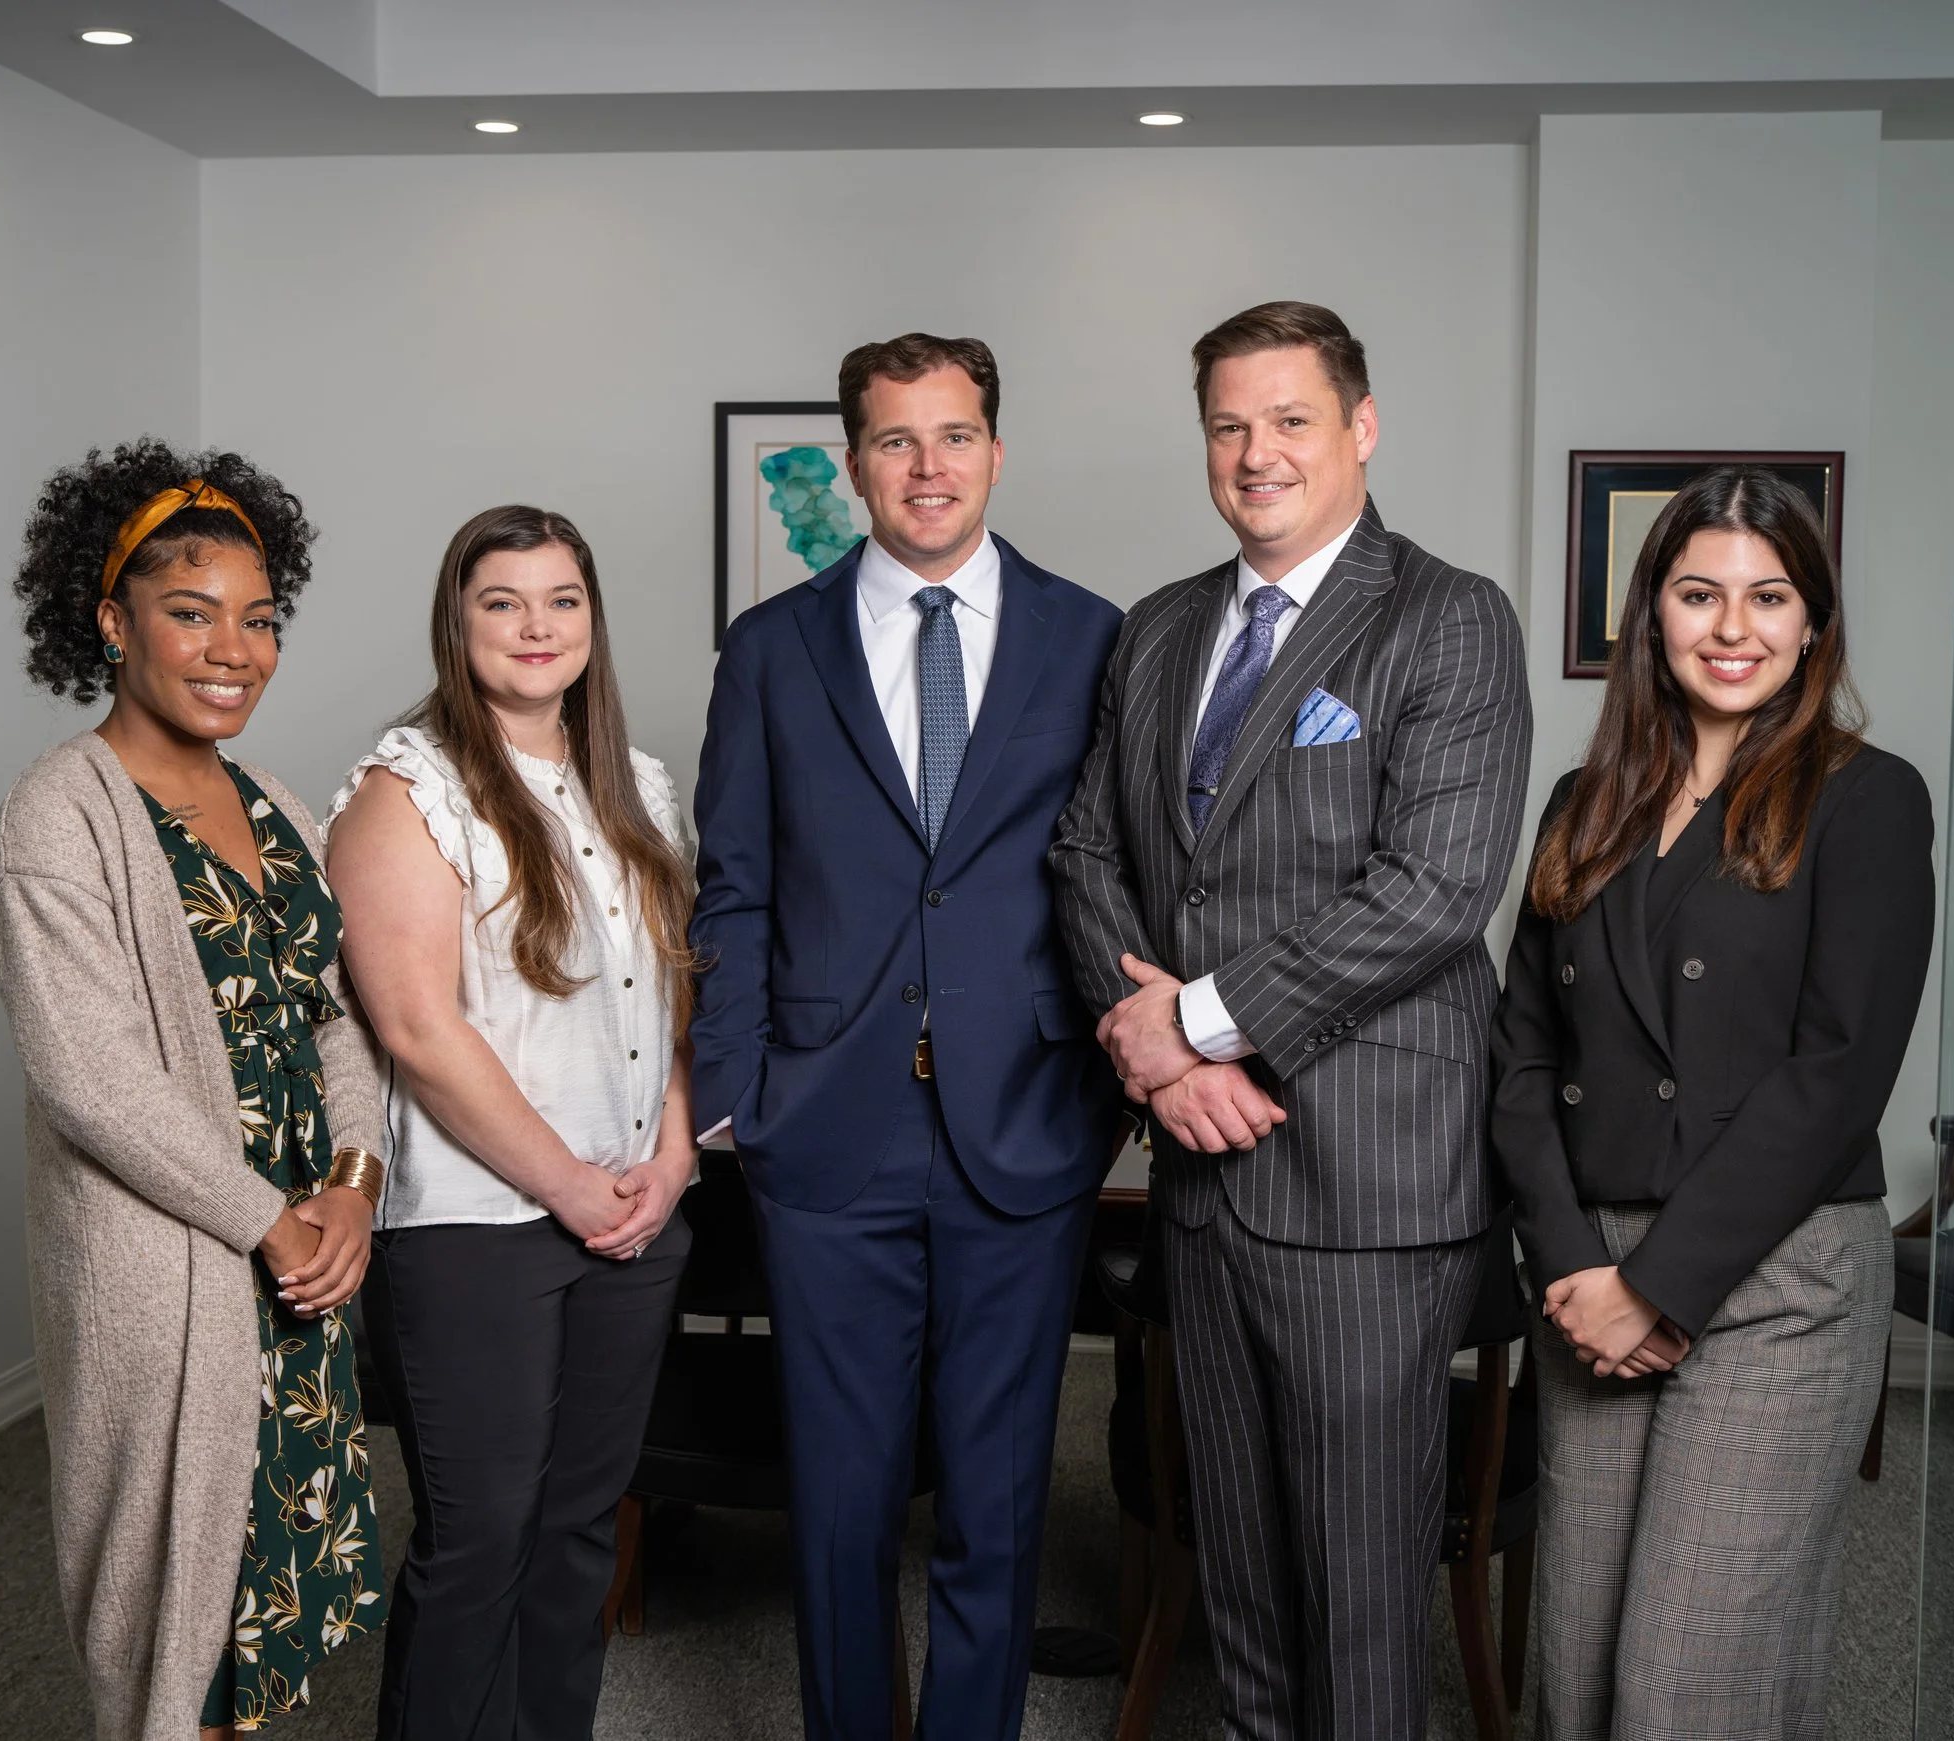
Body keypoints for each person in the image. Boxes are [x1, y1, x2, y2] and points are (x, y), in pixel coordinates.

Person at [1051, 300, 1531, 1739]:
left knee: (1361, 1594)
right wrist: (1159, 1061)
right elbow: (1086, 854)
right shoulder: (1159, 627)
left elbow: (1433, 892)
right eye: (1229, 425)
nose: (1256, 453)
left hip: (1367, 1182)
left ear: (1361, 428)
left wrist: (1189, 1024)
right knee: (1241, 1584)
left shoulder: (1448, 616)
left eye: (1291, 420)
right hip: (1204, 1174)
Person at [689, 333, 1125, 1738]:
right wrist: (730, 1093)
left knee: (997, 1498)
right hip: (825, 1127)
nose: (927, 467)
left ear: (995, 451)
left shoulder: (1094, 638)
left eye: (953, 436)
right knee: (840, 1501)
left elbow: (1124, 870)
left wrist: (1113, 1076)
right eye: (895, 439)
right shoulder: (771, 649)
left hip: (1028, 1118)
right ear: (855, 461)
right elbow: (734, 884)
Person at [1489, 466, 1934, 1738]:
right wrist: (1573, 1265)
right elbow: (1521, 1054)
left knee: (1685, 1683)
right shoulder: (1583, 802)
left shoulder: (1865, 796)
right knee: (1574, 1673)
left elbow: (1836, 1072)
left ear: (1812, 620)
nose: (1733, 628)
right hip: (1590, 1278)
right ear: (1652, 612)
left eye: (1768, 596)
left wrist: (1658, 1284)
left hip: (1776, 1275)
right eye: (1699, 594)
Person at [0, 439, 389, 1740]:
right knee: (177, 1641)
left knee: (262, 1626)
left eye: (258, 619)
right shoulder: (59, 816)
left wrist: (353, 1185)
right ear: (112, 622)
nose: (234, 650)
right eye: (191, 612)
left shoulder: (275, 803)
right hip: (176, 1282)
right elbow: (91, 1075)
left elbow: (339, 1013)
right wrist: (271, 1222)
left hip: (303, 1263)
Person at [324, 507, 697, 1739]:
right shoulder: (406, 790)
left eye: (561, 600)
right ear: (458, 621)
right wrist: (571, 1184)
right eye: (502, 600)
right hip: (477, 1227)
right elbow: (417, 1027)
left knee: (579, 1529)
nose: (536, 626)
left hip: (632, 1218)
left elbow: (673, 999)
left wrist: (672, 1160)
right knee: (481, 1536)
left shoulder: (637, 786)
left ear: (592, 620)